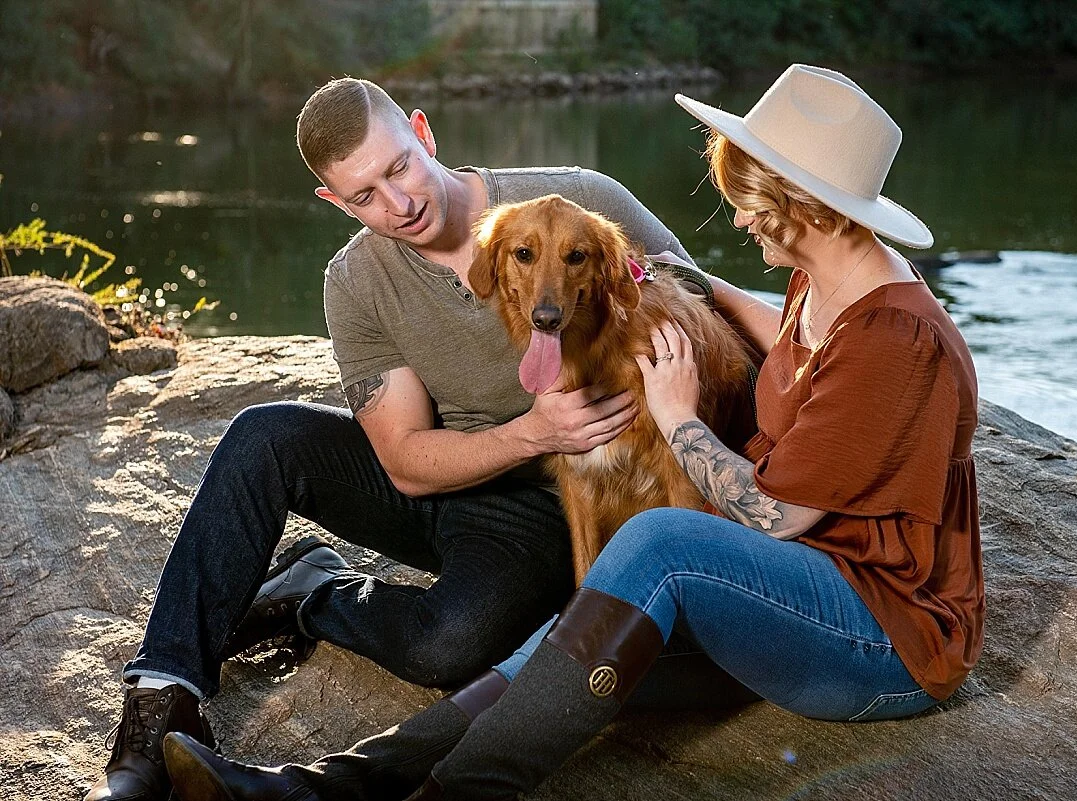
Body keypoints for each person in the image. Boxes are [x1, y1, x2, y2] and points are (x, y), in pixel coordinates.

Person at [159, 64, 986, 801]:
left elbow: (777, 515)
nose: (738, 220)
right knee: (565, 649)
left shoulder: (892, 337)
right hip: (782, 588)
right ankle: (322, 786)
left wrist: (676, 414)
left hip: (880, 631)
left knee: (656, 548)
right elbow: (714, 300)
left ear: (805, 205)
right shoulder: (817, 289)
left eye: (752, 201)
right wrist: (668, 287)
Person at [84, 77, 743, 801]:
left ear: (423, 134)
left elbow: (704, 295)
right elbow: (403, 457)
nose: (397, 204)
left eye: (398, 167)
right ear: (335, 202)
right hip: (451, 471)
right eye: (364, 195)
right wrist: (531, 430)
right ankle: (157, 704)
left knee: (448, 644)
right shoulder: (356, 280)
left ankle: (314, 590)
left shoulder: (580, 198)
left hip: (553, 502)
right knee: (260, 436)